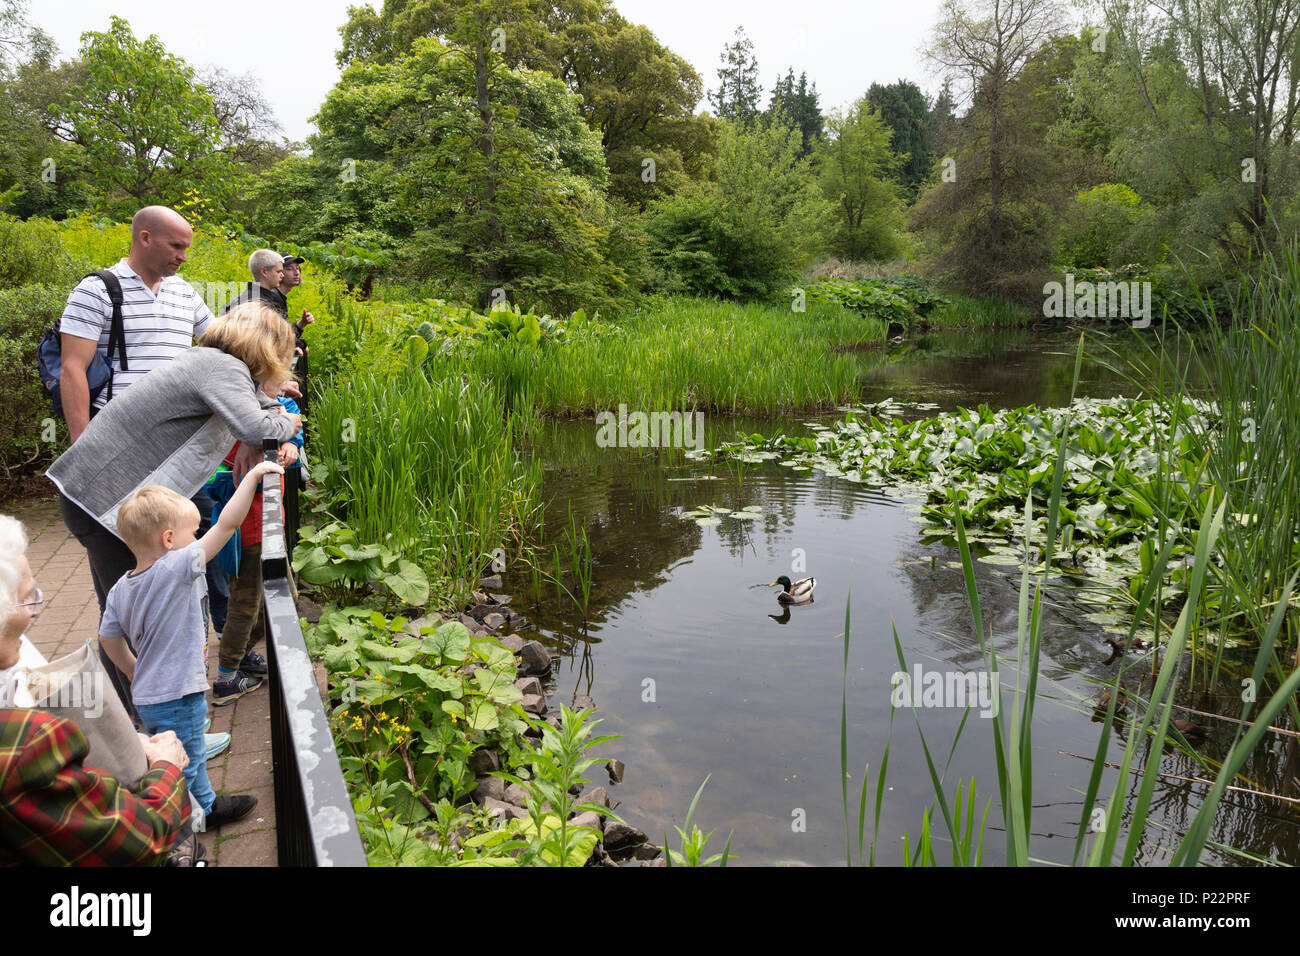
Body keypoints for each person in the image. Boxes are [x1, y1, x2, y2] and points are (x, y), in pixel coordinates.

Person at [57, 206, 219, 719]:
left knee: (175, 588)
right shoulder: (97, 290)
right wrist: (85, 451)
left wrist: (269, 379)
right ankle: (136, 730)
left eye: (186, 247)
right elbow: (73, 370)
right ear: (144, 238)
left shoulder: (186, 294)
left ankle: (176, 715)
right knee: (123, 596)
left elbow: (222, 348)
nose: (183, 256)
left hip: (172, 469)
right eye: (175, 246)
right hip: (117, 465)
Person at [98, 460, 284, 830]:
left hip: (149, 693)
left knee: (177, 745)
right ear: (168, 540)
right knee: (189, 757)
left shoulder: (121, 586)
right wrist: (250, 476)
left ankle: (183, 803)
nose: (197, 539)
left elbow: (107, 637)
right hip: (177, 692)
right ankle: (201, 812)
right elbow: (227, 525)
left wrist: (132, 668)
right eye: (192, 532)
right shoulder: (178, 566)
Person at [0, 519, 192, 866]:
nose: (38, 611)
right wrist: (166, 767)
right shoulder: (27, 744)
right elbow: (136, 841)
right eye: (28, 600)